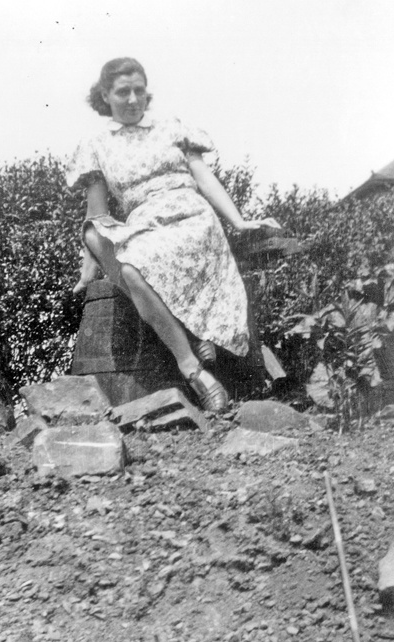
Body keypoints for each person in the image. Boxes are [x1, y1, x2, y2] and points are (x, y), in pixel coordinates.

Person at [66, 57, 279, 412]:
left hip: (191, 218)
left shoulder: (171, 128)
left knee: (133, 267)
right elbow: (97, 213)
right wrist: (88, 269)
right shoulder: (96, 145)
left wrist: (239, 221)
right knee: (104, 242)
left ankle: (190, 357)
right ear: (105, 95)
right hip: (144, 224)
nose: (133, 99)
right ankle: (193, 362)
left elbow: (204, 178)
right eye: (123, 92)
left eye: (139, 90)